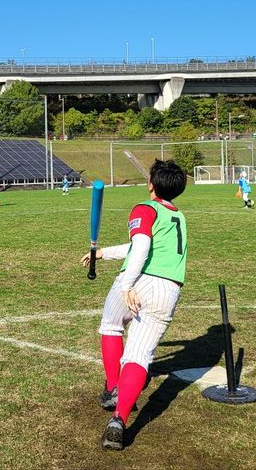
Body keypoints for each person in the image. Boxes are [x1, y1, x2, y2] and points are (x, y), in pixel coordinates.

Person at [79, 159, 188, 451]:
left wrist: (127, 284)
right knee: (139, 355)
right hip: (169, 289)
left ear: (151, 184)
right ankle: (119, 420)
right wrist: (104, 253)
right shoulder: (177, 216)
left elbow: (140, 248)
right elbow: (144, 246)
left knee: (111, 326)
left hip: (140, 280)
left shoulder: (144, 208)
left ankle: (114, 387)